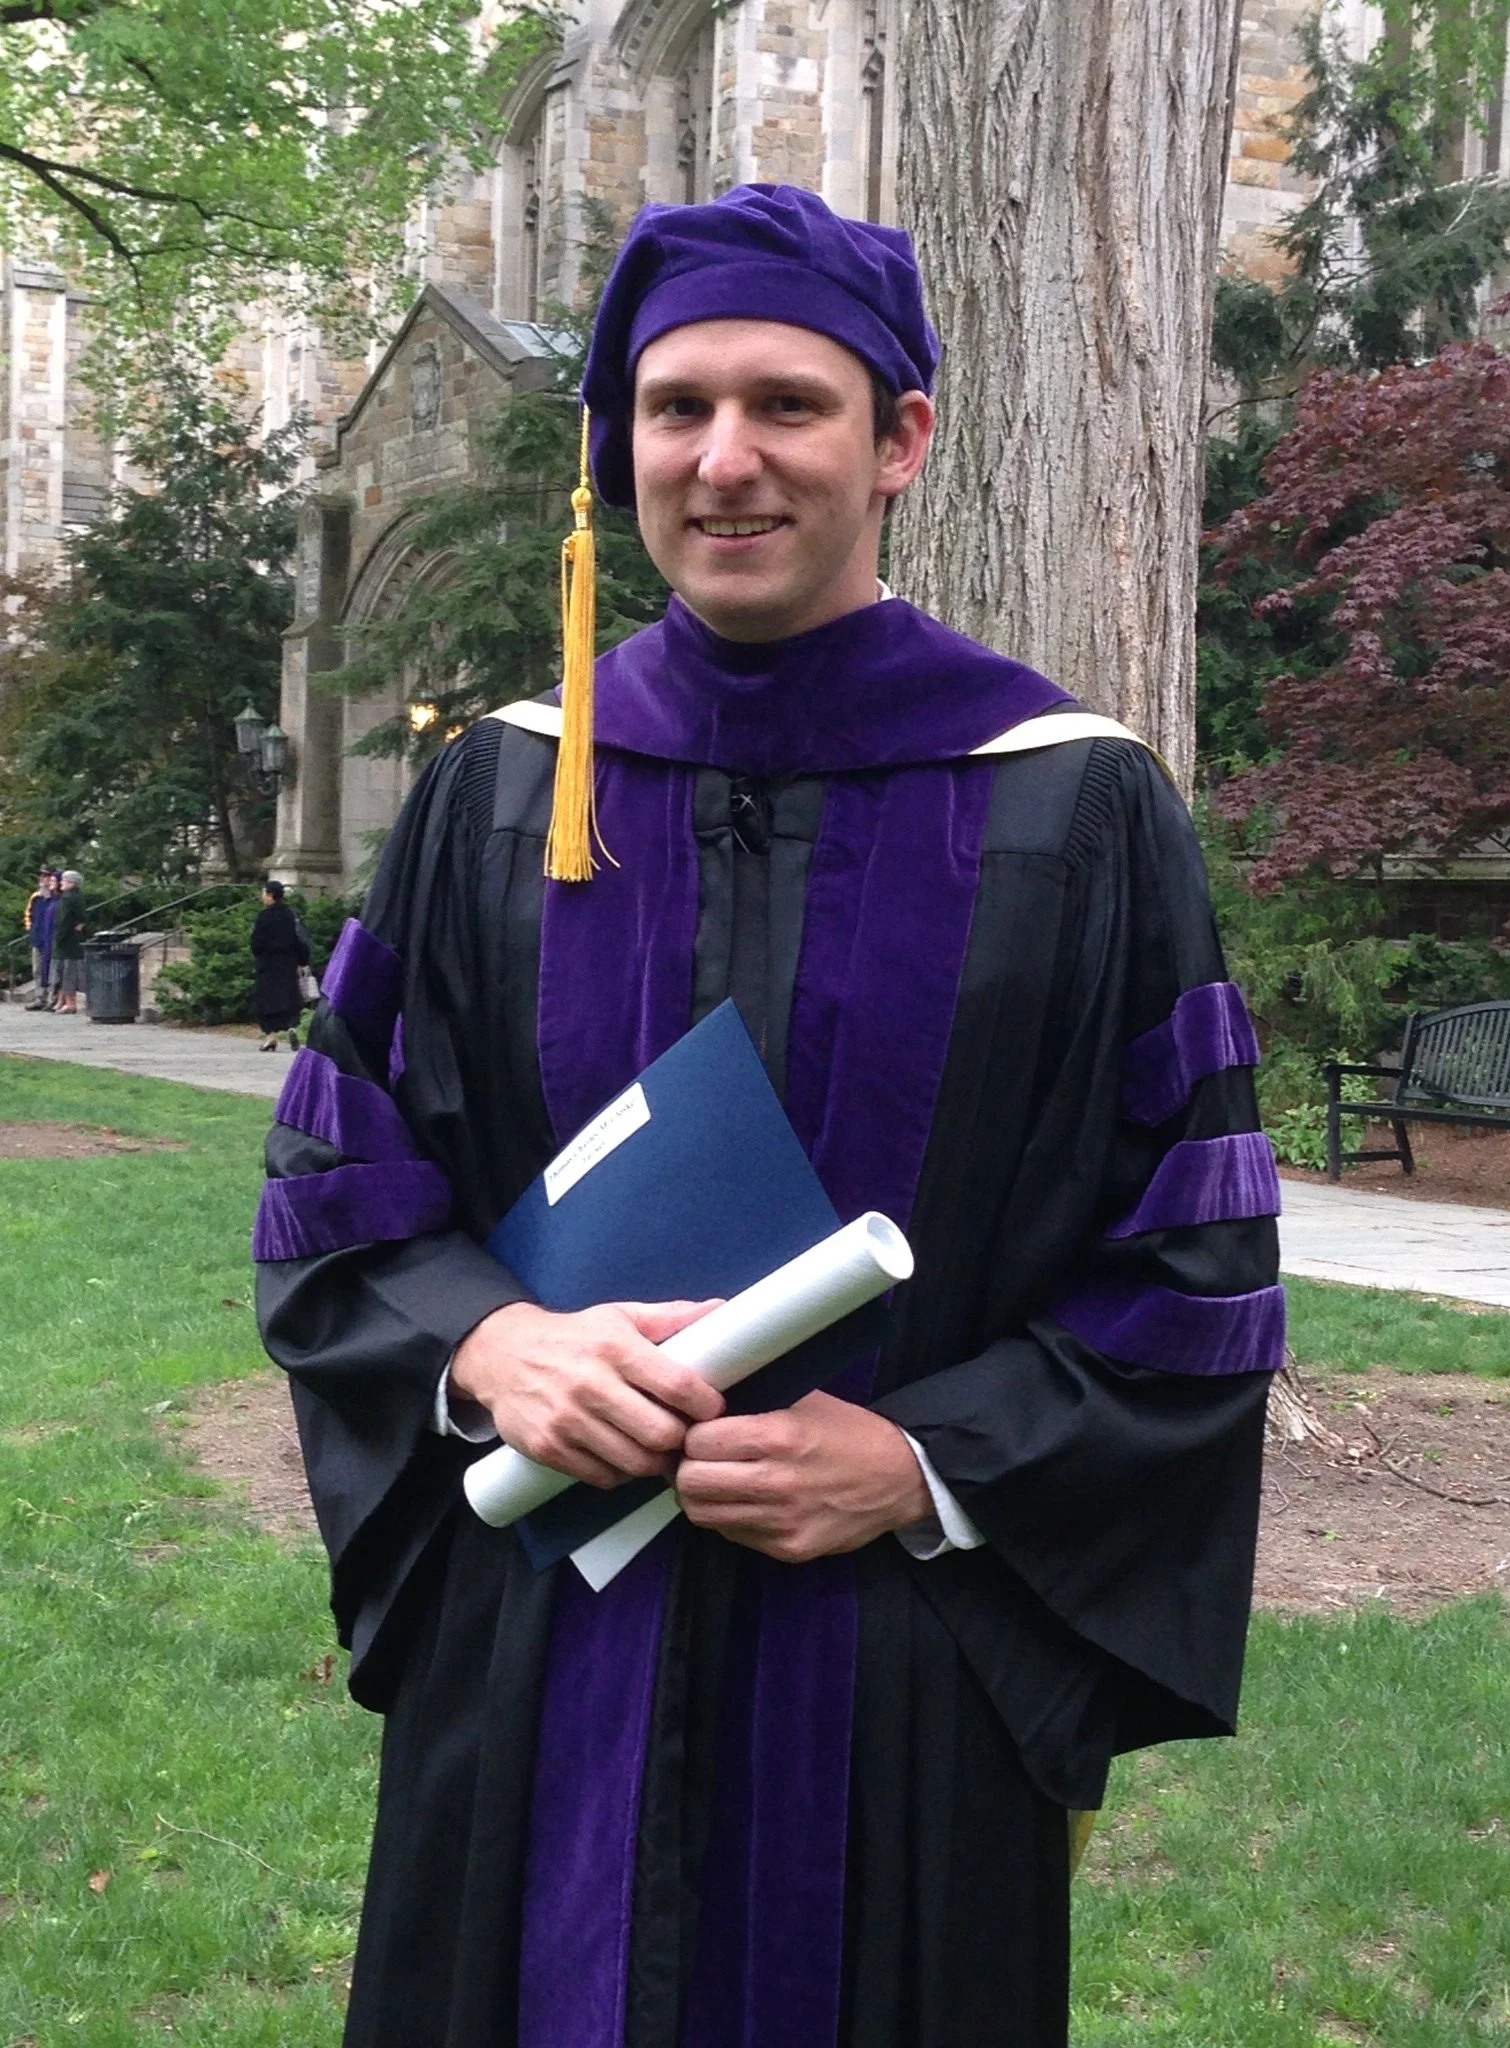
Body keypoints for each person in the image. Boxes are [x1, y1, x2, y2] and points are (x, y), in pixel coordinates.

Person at [255, 184, 1283, 2048]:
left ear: (899, 442)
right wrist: (491, 1340)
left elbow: (1196, 1259)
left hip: (896, 1656)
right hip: (549, 1624)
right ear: (617, 447)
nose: (723, 460)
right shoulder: (500, 791)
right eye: (674, 408)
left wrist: (922, 1462)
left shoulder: (1073, 805)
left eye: (787, 405)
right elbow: (340, 1175)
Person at [251, 879, 308, 1052]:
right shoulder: (291, 915)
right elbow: (301, 941)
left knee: (265, 1001)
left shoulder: (264, 917)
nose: (262, 896)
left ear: (271, 896)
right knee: (290, 998)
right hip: (288, 963)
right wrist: (302, 961)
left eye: (264, 893)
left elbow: (256, 943)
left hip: (268, 965)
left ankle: (270, 1037)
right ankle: (291, 1026)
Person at [50, 871, 86, 1015]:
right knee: (67, 972)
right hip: (75, 939)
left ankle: (70, 1003)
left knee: (67, 973)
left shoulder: (68, 899)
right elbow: (82, 919)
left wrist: (58, 938)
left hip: (67, 941)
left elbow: (63, 921)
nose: (61, 883)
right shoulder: (78, 897)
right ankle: (64, 1001)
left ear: (71, 883)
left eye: (64, 880)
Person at [23, 868, 58, 1009]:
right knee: (37, 970)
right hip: (37, 939)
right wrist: (30, 929)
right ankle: (40, 998)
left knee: (51, 970)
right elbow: (28, 914)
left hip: (51, 939)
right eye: (42, 877)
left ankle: (52, 998)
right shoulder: (36, 897)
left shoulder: (55, 898)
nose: (43, 880)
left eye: (47, 877)